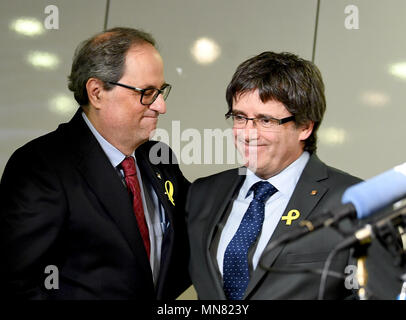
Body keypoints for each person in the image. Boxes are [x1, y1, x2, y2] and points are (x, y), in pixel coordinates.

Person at [0, 27, 190, 300]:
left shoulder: (159, 158)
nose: (161, 106)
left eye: (161, 91)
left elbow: (197, 226)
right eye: (147, 92)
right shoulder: (41, 166)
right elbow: (18, 286)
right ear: (97, 92)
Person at [186, 51, 362, 300]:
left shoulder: (354, 201)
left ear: (304, 126)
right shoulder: (202, 193)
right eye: (239, 117)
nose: (247, 133)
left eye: (265, 120)